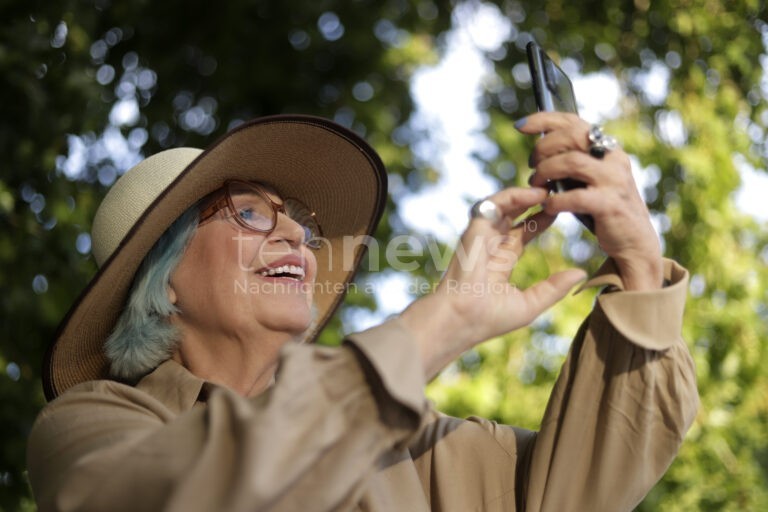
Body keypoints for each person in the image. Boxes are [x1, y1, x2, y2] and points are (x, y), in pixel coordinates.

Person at [27, 112, 698, 511]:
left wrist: (638, 264)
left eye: (302, 226)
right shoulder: (90, 426)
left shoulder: (416, 447)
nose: (296, 237)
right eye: (252, 212)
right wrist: (443, 319)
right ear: (163, 277)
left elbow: (574, 490)